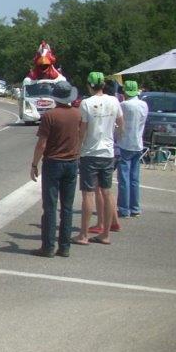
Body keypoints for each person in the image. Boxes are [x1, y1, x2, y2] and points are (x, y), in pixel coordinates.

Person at [29, 80, 81, 257]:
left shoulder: (50, 116)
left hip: (53, 162)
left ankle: (48, 246)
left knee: (50, 207)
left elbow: (42, 144)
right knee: (67, 207)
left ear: (55, 97)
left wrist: (34, 164)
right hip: (71, 162)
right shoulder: (77, 114)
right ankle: (64, 246)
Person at [75, 71, 123, 245]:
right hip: (107, 151)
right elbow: (121, 125)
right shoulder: (114, 101)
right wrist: (115, 140)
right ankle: (105, 234)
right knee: (107, 192)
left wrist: (77, 149)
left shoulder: (86, 103)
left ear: (89, 85)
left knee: (88, 194)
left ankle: (83, 235)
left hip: (90, 152)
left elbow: (82, 130)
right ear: (103, 85)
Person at [116, 79, 148, 218]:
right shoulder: (144, 104)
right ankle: (135, 207)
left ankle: (124, 208)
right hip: (138, 142)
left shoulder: (124, 105)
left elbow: (118, 122)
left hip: (125, 143)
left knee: (124, 178)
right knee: (134, 178)